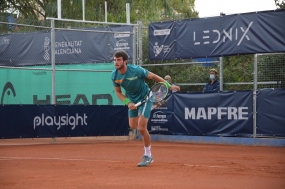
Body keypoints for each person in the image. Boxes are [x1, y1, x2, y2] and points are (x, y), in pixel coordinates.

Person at [111, 51, 180, 167]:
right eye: (114, 60)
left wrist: (169, 85)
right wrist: (128, 102)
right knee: (133, 126)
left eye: (118, 60)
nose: (116, 62)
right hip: (133, 101)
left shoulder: (136, 70)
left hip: (146, 97)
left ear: (125, 61)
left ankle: (148, 155)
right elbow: (118, 92)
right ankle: (156, 105)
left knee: (141, 128)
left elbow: (152, 76)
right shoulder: (114, 75)